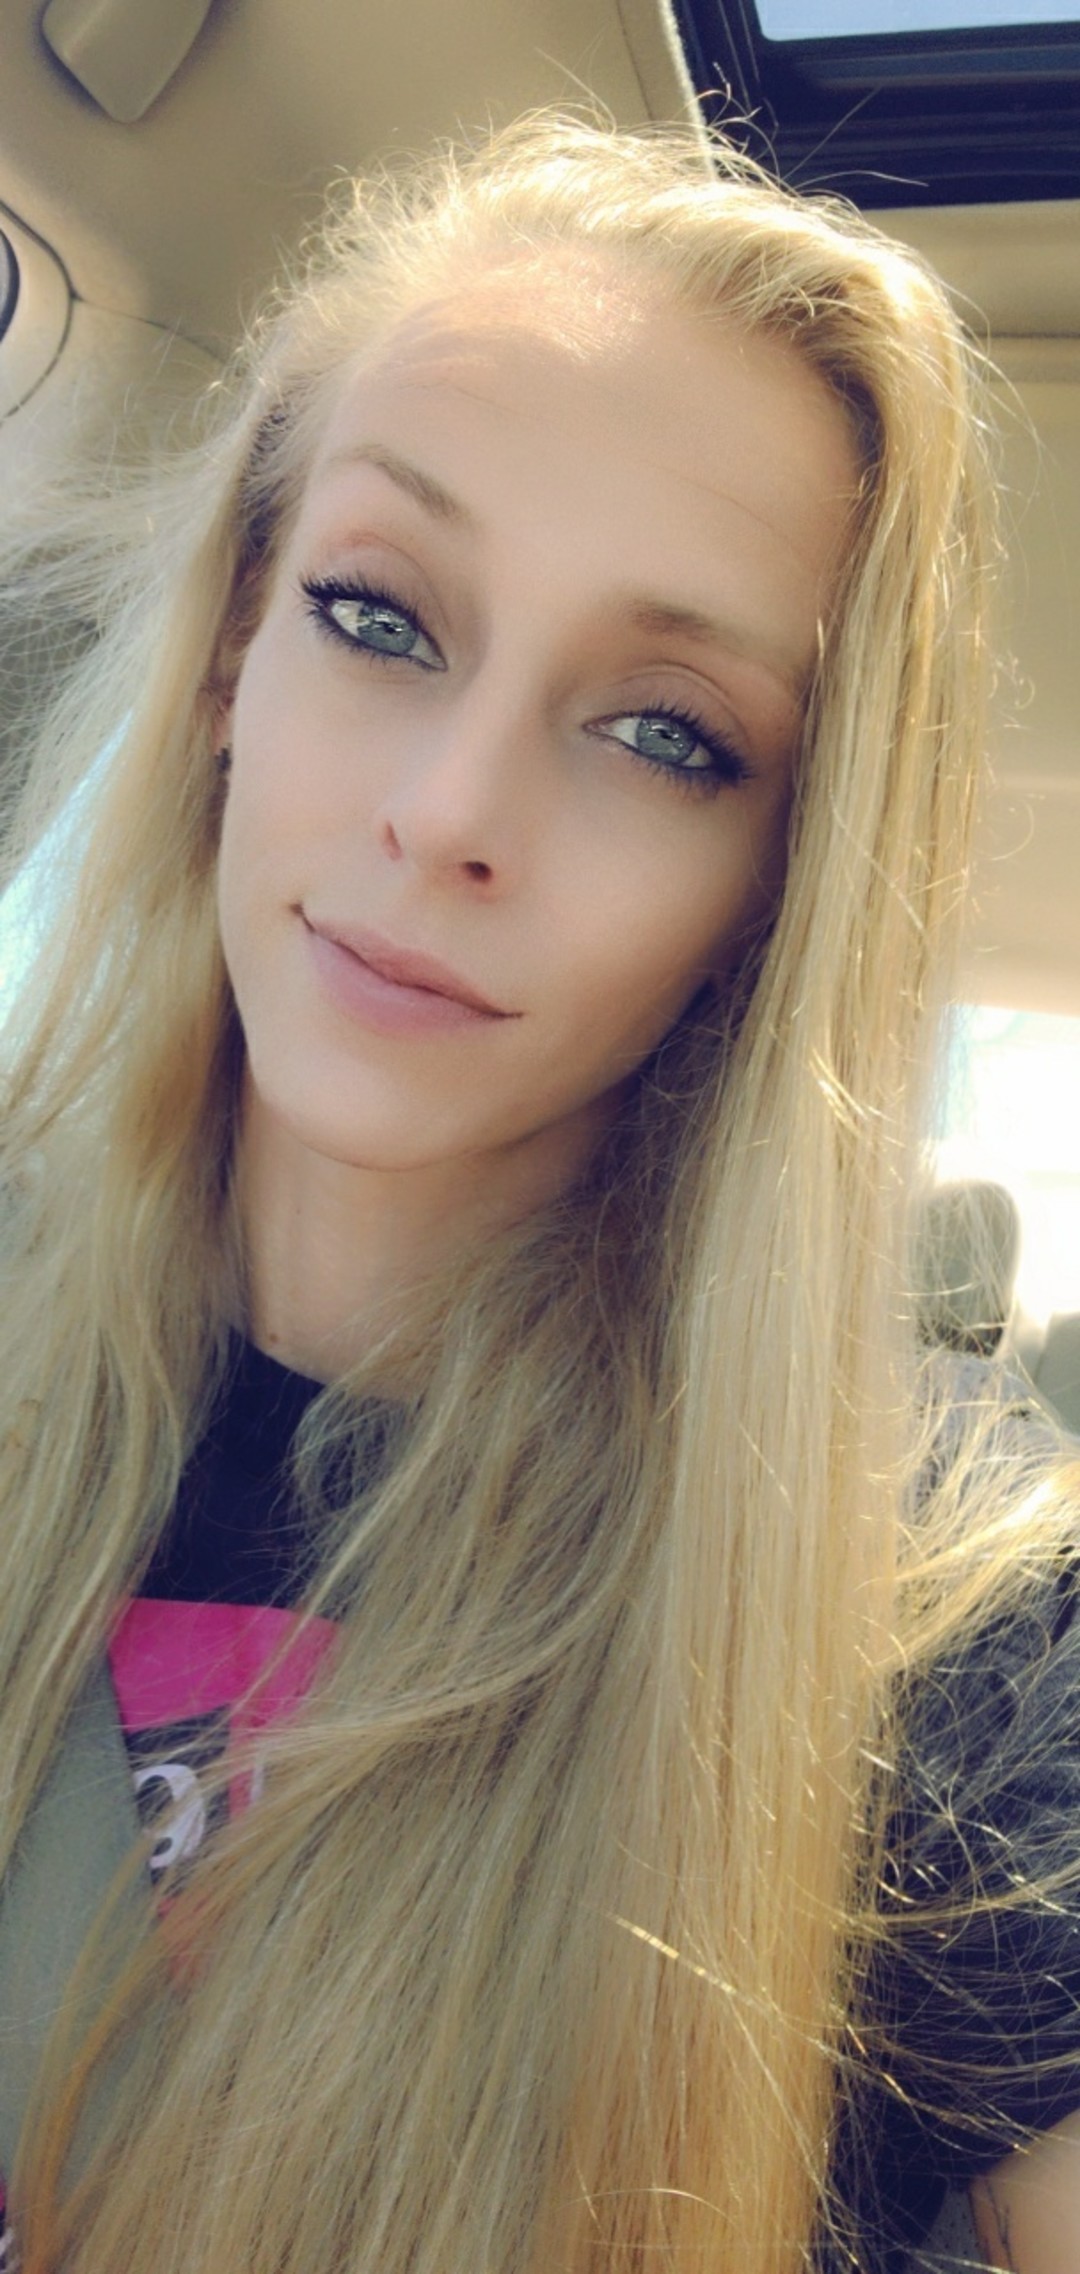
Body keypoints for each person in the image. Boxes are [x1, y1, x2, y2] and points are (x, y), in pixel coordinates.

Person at [0, 112, 1078, 2274]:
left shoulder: (937, 1628)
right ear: (228, 664)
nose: (447, 809)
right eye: (379, 614)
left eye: (667, 733)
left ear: (774, 888)